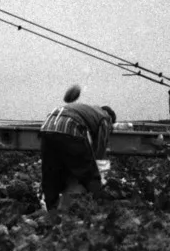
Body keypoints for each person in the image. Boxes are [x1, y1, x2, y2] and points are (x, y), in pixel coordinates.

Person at [37, 84, 113, 212]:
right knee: (89, 173)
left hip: (47, 127)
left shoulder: (87, 110)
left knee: (50, 172)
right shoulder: (105, 118)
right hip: (69, 128)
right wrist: (96, 173)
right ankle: (101, 207)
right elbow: (98, 150)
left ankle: (51, 211)